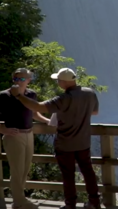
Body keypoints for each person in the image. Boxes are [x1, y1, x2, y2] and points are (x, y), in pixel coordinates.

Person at [10, 67, 100, 209]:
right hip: (83, 142)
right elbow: (95, 112)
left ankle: (70, 205)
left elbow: (39, 107)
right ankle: (95, 202)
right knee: (88, 172)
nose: (57, 82)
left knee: (68, 175)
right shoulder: (89, 93)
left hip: (65, 144)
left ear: (63, 82)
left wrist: (19, 96)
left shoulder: (63, 99)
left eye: (58, 80)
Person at [0, 68, 50, 209]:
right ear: (13, 79)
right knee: (17, 170)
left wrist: (47, 121)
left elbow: (34, 113)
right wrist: (3, 129)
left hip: (29, 134)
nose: (19, 81)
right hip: (14, 136)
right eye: (16, 78)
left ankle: (19, 200)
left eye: (22, 79)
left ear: (29, 80)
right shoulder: (4, 95)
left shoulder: (31, 94)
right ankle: (19, 200)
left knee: (25, 169)